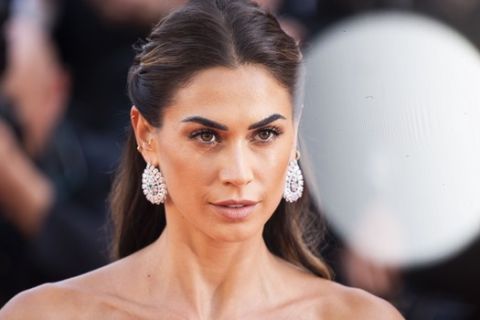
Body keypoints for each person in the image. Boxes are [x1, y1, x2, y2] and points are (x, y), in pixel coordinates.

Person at [0, 0, 404, 318]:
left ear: (294, 136)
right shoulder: (43, 314)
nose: (238, 173)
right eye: (206, 136)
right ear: (146, 136)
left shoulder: (360, 316)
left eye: (265, 134)